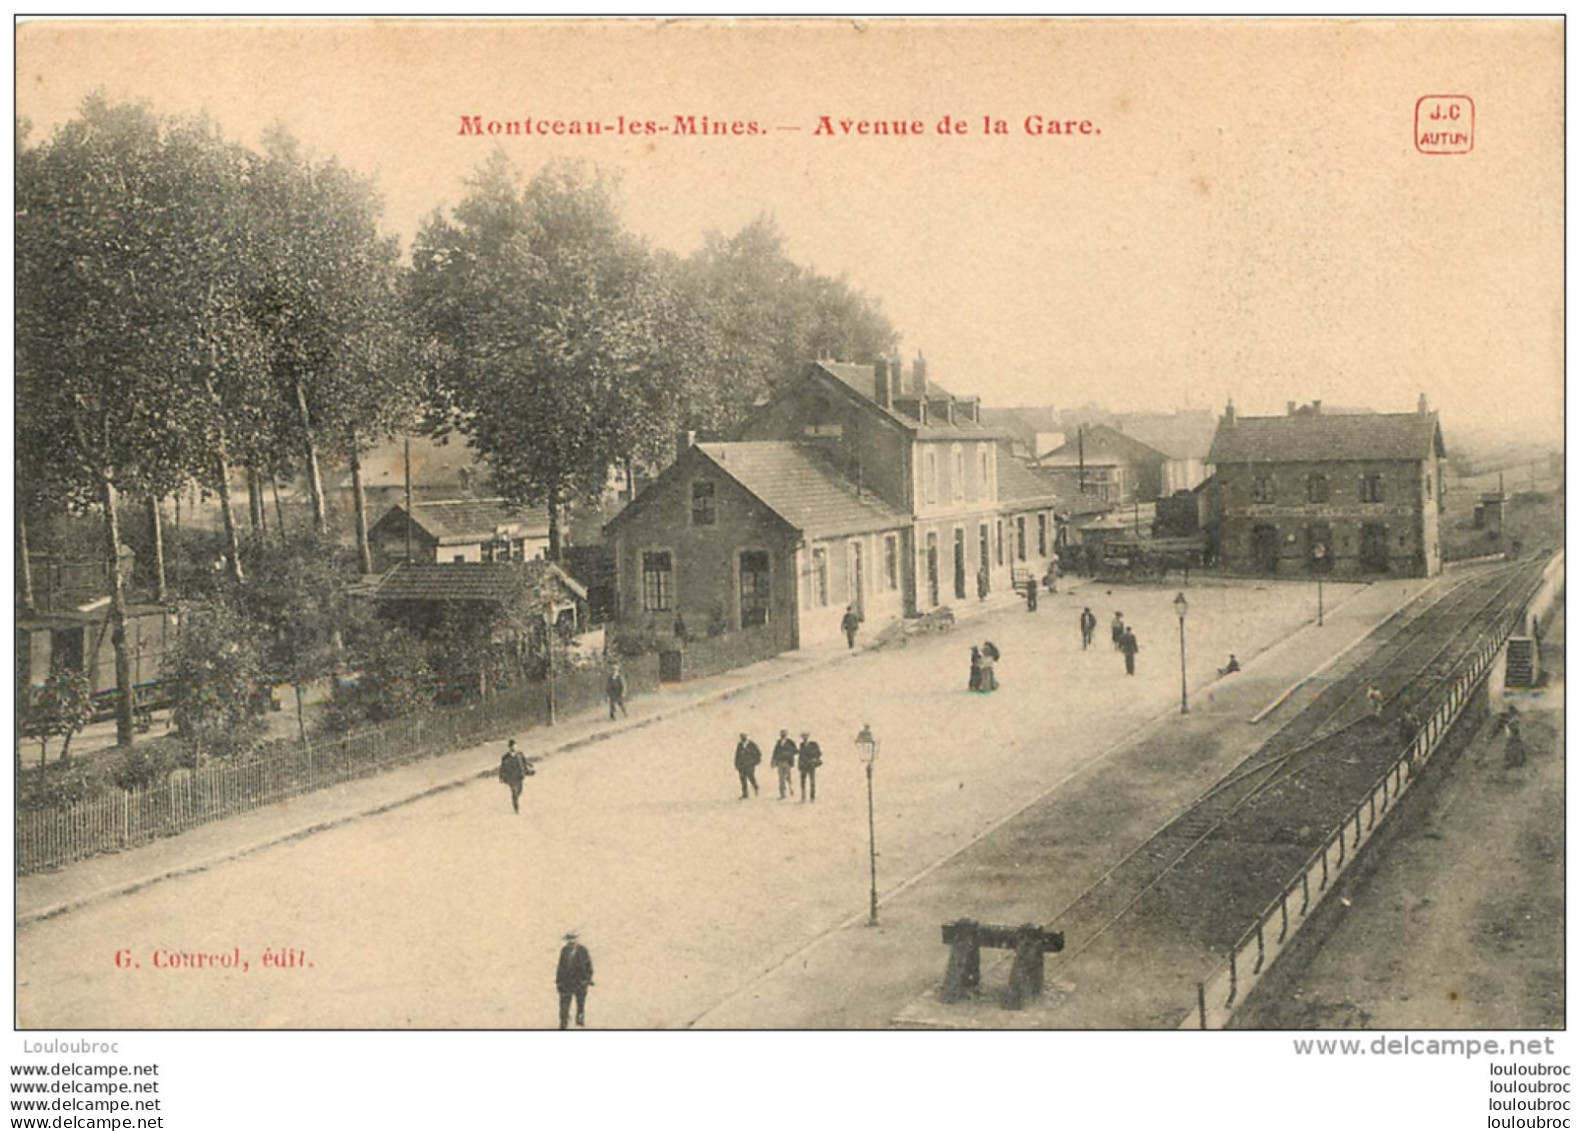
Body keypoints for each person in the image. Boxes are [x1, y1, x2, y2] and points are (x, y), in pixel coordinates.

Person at [555, 931, 594, 1029]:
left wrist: (588, 979)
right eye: (569, 939)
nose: (571, 941)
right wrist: (558, 981)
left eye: (573, 938)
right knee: (564, 1003)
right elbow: (560, 967)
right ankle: (563, 1022)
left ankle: (580, 1019)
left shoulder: (583, 950)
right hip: (566, 982)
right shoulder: (564, 951)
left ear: (577, 939)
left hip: (580, 982)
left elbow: (588, 966)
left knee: (580, 1002)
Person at [497, 739, 533, 814]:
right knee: (514, 792)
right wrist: (501, 776)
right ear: (510, 747)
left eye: (515, 746)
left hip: (519, 776)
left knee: (520, 790)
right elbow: (502, 767)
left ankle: (515, 800)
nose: (514, 748)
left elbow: (525, 762)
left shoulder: (519, 754)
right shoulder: (505, 757)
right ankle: (516, 808)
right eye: (513, 746)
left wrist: (529, 766)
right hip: (511, 777)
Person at [771, 729, 798, 799]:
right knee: (781, 779)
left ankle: (791, 789)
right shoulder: (778, 743)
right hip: (780, 762)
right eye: (781, 733)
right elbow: (775, 752)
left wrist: (788, 754)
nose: (782, 735)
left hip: (787, 762)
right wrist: (773, 761)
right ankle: (782, 794)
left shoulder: (790, 742)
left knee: (788, 777)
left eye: (784, 733)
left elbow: (795, 751)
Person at [734, 733, 762, 799]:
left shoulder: (752, 744)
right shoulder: (740, 745)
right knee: (743, 779)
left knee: (751, 777)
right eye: (741, 736)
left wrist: (755, 762)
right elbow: (737, 755)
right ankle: (745, 794)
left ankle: (755, 787)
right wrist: (736, 764)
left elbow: (758, 753)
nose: (742, 738)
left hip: (750, 765)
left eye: (743, 736)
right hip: (741, 765)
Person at [797, 732, 823, 801]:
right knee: (802, 782)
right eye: (803, 737)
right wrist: (799, 765)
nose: (804, 738)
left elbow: (819, 753)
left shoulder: (813, 744)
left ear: (808, 737)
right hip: (803, 766)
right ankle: (803, 797)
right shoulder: (801, 745)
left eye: (805, 736)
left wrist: (813, 759)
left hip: (811, 765)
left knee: (812, 782)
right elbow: (800, 756)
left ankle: (812, 797)